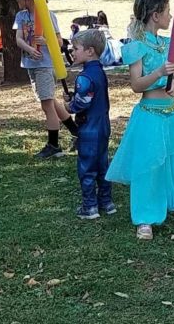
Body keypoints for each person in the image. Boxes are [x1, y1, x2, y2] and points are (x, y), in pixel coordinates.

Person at [106, 0, 174, 240]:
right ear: (155, 15)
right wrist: (159, 73)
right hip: (149, 115)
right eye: (167, 12)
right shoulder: (136, 47)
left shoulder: (168, 44)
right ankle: (145, 218)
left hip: (172, 113)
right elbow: (136, 85)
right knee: (148, 165)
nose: (170, 16)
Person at [10, 0, 79, 159]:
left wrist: (46, 41)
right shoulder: (21, 16)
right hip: (31, 63)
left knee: (46, 104)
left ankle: (54, 144)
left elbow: (58, 40)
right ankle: (77, 132)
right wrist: (30, 49)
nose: (16, 1)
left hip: (45, 65)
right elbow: (18, 39)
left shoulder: (47, 15)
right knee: (49, 100)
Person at [65, 29, 115, 219]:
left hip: (89, 129)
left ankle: (90, 206)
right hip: (103, 126)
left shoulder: (85, 77)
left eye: (76, 48)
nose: (73, 52)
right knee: (103, 164)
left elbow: (82, 103)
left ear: (90, 51)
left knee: (87, 167)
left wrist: (70, 105)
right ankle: (106, 202)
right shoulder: (99, 72)